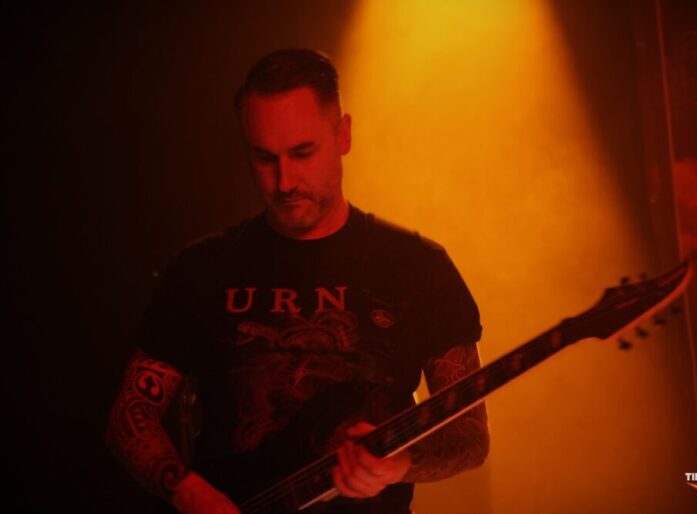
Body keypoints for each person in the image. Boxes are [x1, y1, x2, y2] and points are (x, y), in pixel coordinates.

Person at [106, 48, 489, 514]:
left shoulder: (418, 266)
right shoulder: (201, 269)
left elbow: (470, 436)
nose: (284, 181)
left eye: (303, 153)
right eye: (264, 158)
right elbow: (131, 416)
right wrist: (188, 492)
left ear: (343, 134)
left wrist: (401, 464)